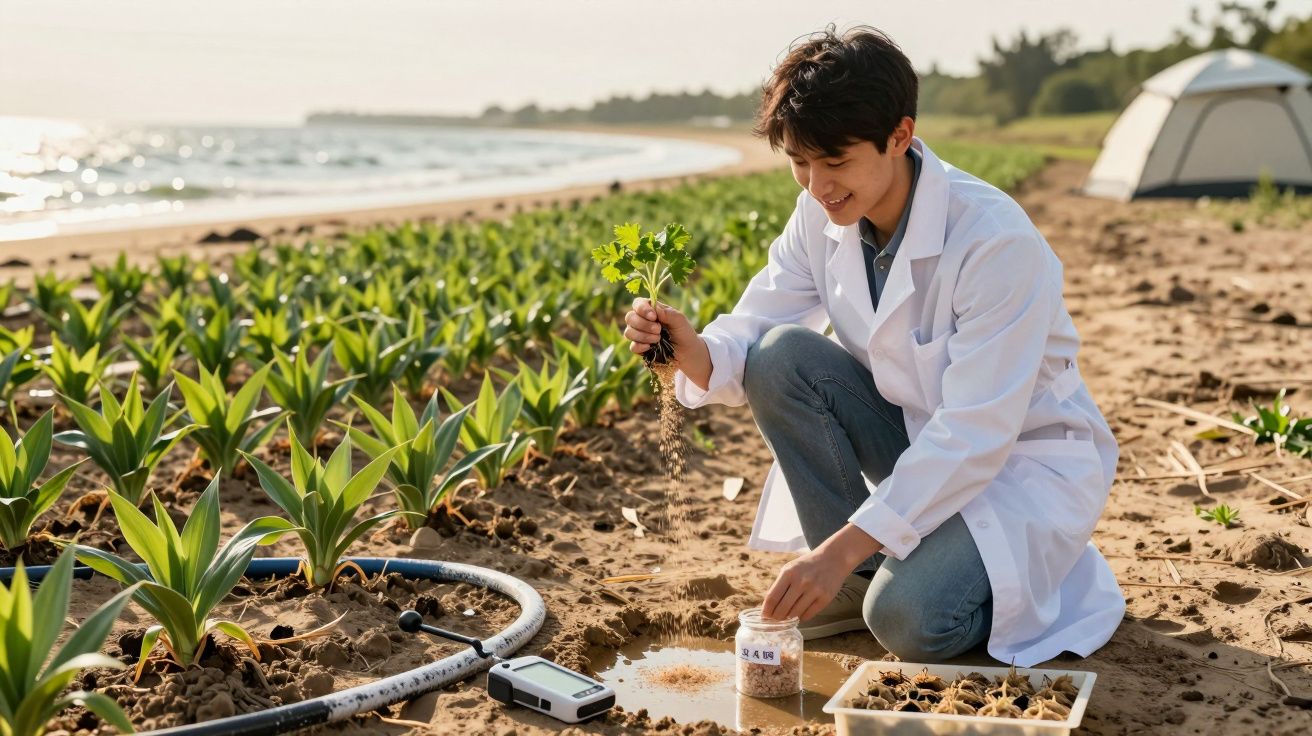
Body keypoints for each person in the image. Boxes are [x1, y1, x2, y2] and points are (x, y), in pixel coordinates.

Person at [622, 25, 1123, 667]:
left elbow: (977, 432)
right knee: (780, 356)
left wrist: (835, 548)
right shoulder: (818, 213)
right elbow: (759, 324)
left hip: (1019, 466)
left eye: (835, 162)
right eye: (800, 162)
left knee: (906, 621)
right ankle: (862, 579)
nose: (816, 185)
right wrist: (691, 349)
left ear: (899, 136)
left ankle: (975, 573)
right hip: (918, 440)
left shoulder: (996, 243)